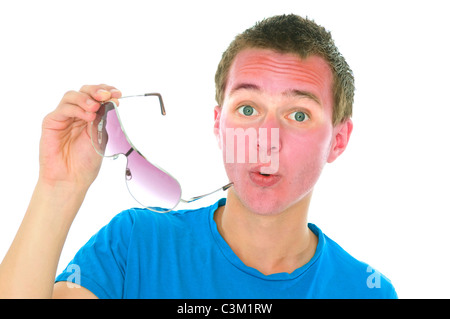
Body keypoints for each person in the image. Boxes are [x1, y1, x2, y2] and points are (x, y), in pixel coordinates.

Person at [0, 14, 397, 298]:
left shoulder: (366, 290)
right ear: (218, 124)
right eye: (247, 109)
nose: (266, 139)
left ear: (338, 140)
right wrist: (59, 186)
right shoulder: (136, 244)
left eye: (298, 114)